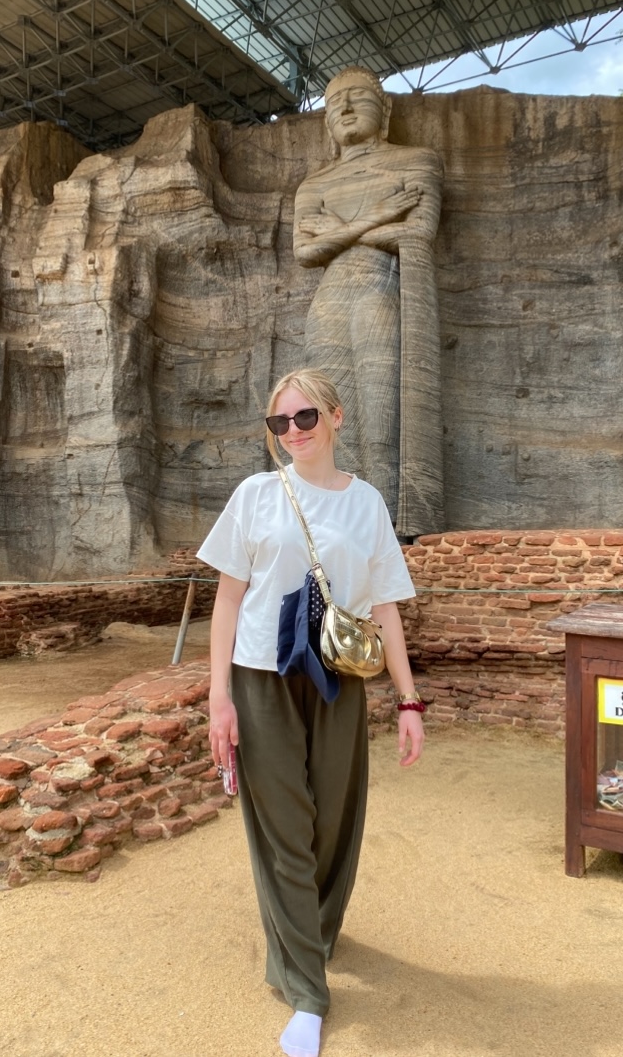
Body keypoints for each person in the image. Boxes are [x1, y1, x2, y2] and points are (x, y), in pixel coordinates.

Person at [197, 368, 425, 1057]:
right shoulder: (256, 496)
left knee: (334, 821)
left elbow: (385, 605)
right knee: (286, 827)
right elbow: (227, 603)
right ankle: (306, 989)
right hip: (260, 676)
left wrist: (408, 697)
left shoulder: (366, 504)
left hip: (337, 678)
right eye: (280, 423)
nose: (293, 432)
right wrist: (218, 698)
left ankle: (312, 929)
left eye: (304, 418)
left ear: (335, 417)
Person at [293, 66, 443, 538]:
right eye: (334, 102)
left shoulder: (415, 161)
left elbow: (417, 231)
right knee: (331, 421)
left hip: (381, 290)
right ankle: (340, 523)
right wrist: (377, 215)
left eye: (358, 96)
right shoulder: (313, 185)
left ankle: (389, 528)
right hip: (329, 304)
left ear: (387, 108)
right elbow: (304, 252)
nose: (345, 107)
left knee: (382, 415)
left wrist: (334, 230)